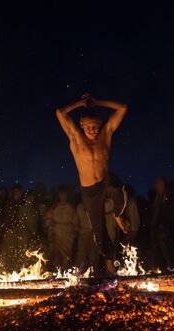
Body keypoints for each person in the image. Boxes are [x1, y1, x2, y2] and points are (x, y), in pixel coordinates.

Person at [55, 93, 128, 275]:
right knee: (99, 228)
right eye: (88, 127)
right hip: (89, 190)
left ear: (101, 125)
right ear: (81, 125)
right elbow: (60, 112)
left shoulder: (106, 134)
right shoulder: (75, 137)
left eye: (95, 126)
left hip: (106, 181)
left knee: (117, 189)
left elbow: (123, 108)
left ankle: (118, 215)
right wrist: (80, 103)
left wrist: (97, 102)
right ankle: (110, 264)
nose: (92, 130)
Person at [45, 190, 78, 270]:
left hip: (68, 233)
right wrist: (51, 225)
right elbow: (47, 217)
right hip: (58, 231)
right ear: (59, 197)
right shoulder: (54, 207)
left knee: (67, 253)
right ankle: (57, 270)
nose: (63, 197)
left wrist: (75, 230)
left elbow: (75, 220)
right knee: (57, 252)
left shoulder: (70, 207)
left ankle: (65, 269)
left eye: (64, 195)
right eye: (61, 195)